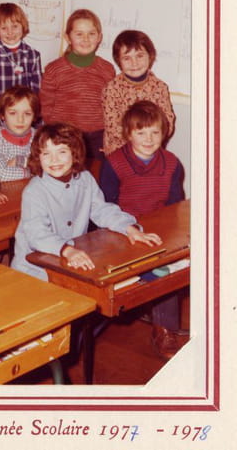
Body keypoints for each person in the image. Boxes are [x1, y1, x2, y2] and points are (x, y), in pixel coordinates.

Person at [11, 122, 162, 281]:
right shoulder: (34, 191)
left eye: (62, 152)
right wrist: (66, 250)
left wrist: (129, 228)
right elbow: (36, 234)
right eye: (46, 153)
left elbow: (101, 210)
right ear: (38, 157)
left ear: (74, 153)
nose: (54, 160)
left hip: (70, 260)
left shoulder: (84, 178)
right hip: (34, 270)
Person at [99, 101, 185, 359]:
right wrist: (130, 229)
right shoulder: (114, 163)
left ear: (164, 133)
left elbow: (175, 206)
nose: (148, 139)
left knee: (170, 265)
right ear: (128, 134)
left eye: (155, 132)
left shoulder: (172, 163)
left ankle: (164, 326)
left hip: (159, 230)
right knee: (157, 269)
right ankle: (160, 322)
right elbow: (106, 207)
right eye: (141, 132)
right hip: (122, 230)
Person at [40, 9, 115, 161]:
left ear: (99, 37)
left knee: (95, 174)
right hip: (64, 137)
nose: (86, 39)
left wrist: (110, 138)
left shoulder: (107, 69)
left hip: (98, 138)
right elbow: (46, 105)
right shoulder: (54, 69)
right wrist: (56, 134)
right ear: (68, 37)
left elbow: (111, 106)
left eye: (91, 34)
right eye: (79, 34)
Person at [102, 30, 176, 156]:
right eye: (127, 58)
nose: (134, 63)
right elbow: (113, 126)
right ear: (119, 61)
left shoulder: (160, 88)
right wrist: (138, 142)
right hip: (120, 151)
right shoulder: (111, 89)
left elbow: (167, 122)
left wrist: (150, 140)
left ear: (150, 56)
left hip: (151, 148)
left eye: (140, 56)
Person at [0, 2, 42, 138]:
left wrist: (35, 128)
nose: (10, 32)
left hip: (24, 126)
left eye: (15, 26)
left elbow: (37, 96)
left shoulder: (33, 55)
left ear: (23, 26)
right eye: (4, 28)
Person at [0, 85, 39, 181]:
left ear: (34, 116)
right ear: (2, 115)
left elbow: (50, 167)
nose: (20, 120)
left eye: (27, 113)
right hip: (5, 189)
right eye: (13, 113)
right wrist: (31, 171)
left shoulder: (39, 136)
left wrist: (18, 161)